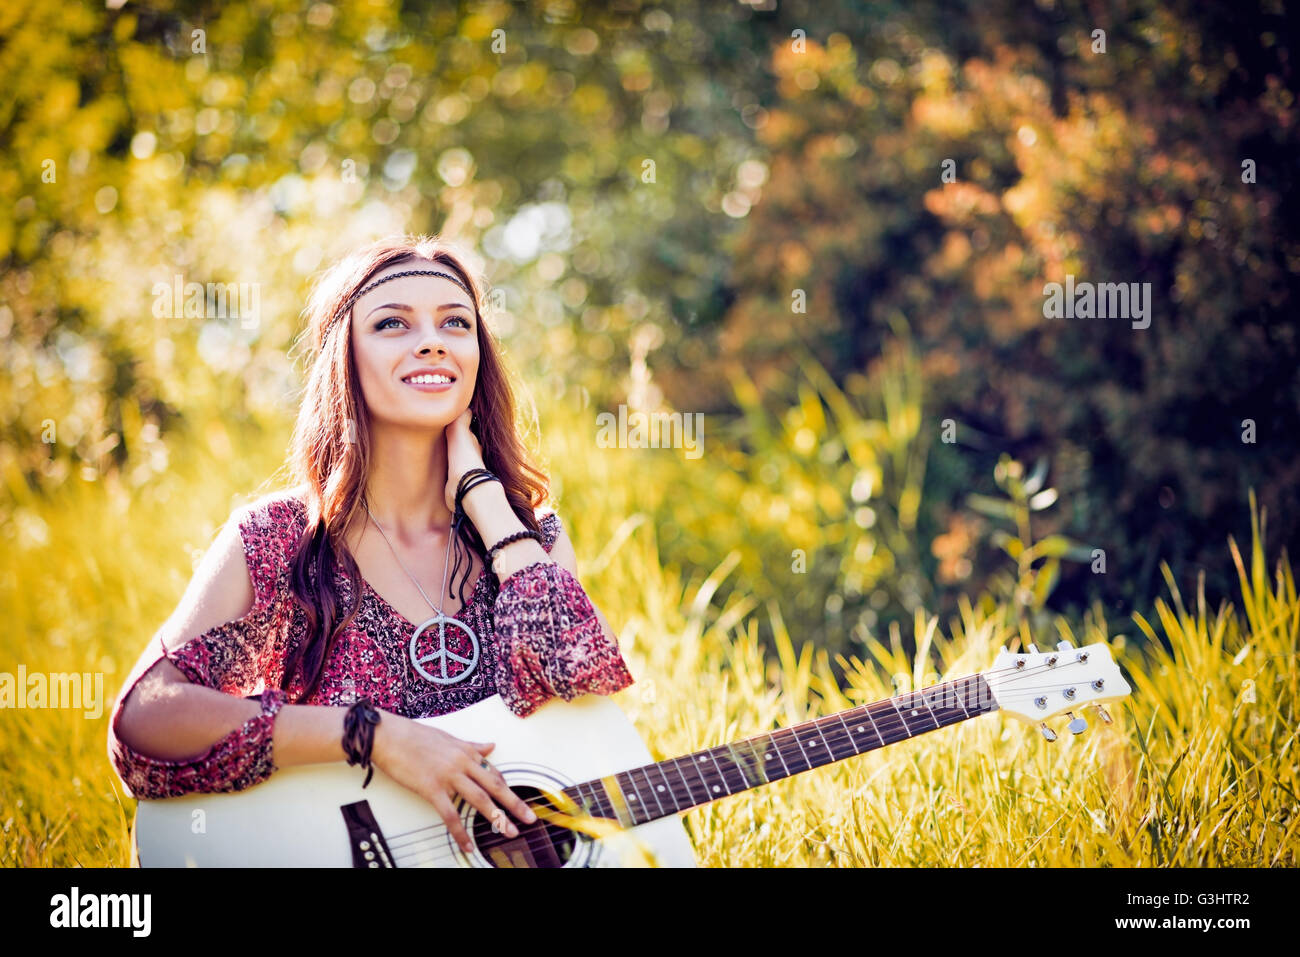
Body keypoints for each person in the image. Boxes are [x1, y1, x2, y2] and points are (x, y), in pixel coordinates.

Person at [108, 234, 636, 856]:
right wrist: (374, 735)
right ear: (345, 359)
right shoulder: (276, 539)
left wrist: (484, 498)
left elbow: (578, 688)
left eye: (454, 323)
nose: (432, 341)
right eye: (392, 323)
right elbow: (144, 719)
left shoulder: (527, 537)